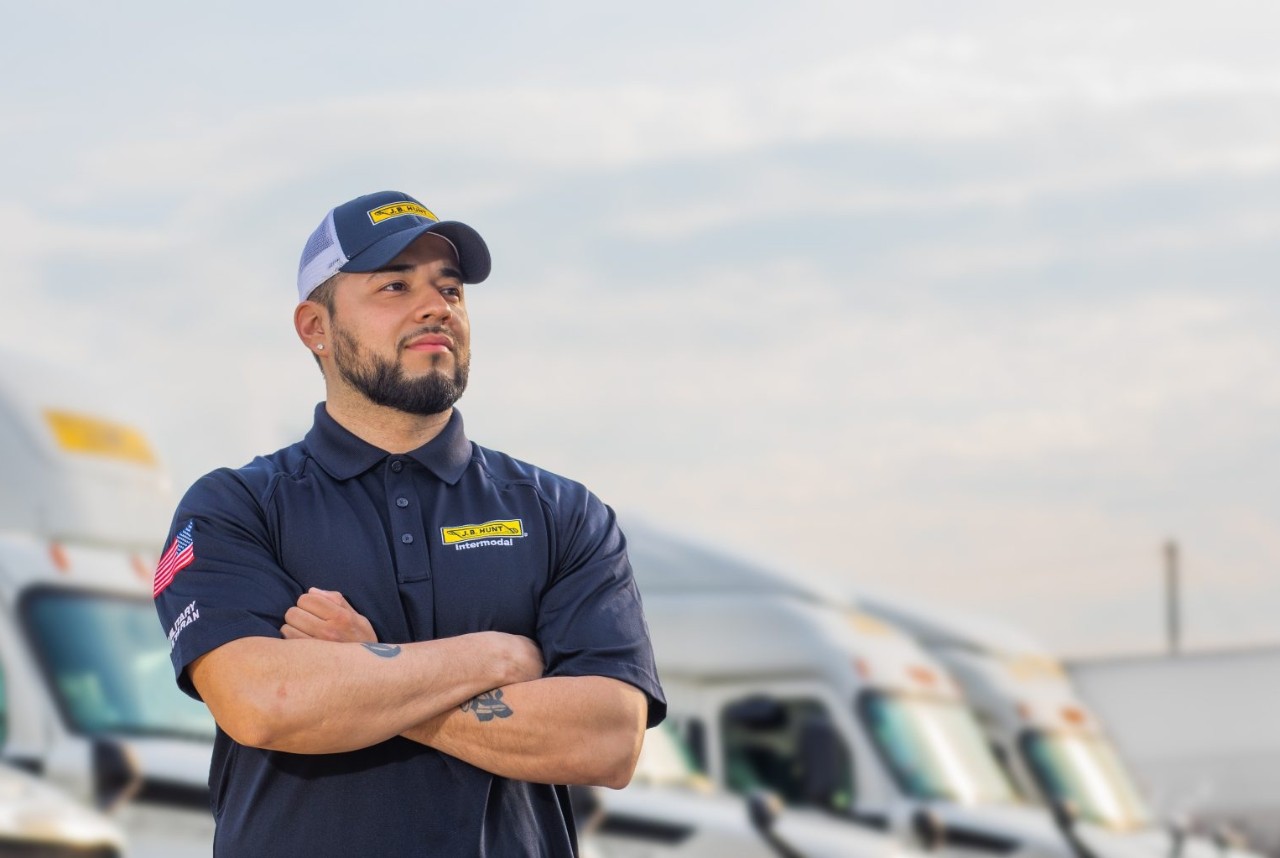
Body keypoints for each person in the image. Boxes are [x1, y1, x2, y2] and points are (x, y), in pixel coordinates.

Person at [152, 190, 666, 857]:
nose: (435, 307)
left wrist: (357, 674)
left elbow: (607, 740)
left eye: (450, 289)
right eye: (395, 285)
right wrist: (494, 658)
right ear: (316, 328)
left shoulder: (560, 513)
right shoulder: (235, 507)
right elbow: (265, 702)